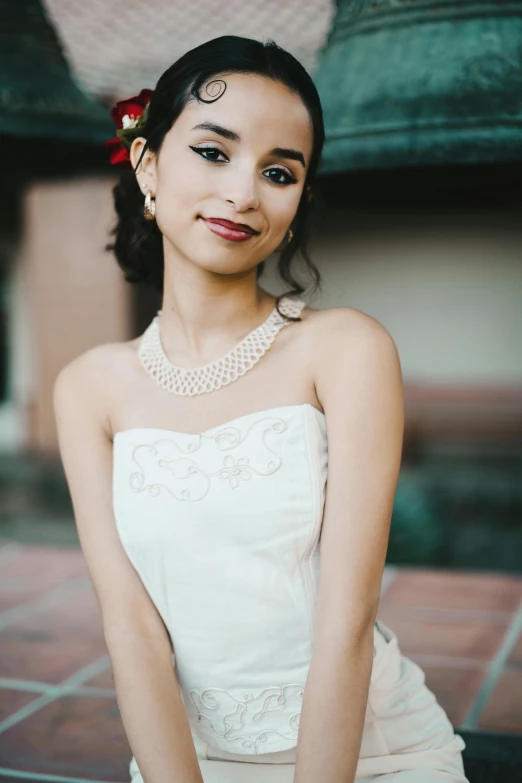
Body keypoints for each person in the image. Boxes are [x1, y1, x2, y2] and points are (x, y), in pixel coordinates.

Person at [53, 35, 469, 783]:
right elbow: (132, 629)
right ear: (148, 166)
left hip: (367, 754)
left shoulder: (346, 350)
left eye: (278, 171)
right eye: (214, 152)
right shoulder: (88, 388)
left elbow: (344, 626)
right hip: (192, 755)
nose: (244, 192)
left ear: (298, 200)